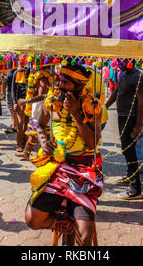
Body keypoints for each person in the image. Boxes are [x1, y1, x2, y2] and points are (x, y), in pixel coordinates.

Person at [25, 61, 103, 246]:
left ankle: (75, 224)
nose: (60, 86)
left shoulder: (91, 105)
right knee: (32, 219)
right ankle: (65, 224)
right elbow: (40, 125)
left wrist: (76, 113)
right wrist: (43, 142)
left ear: (80, 86)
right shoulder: (52, 101)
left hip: (85, 169)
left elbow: (92, 142)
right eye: (60, 81)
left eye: (66, 83)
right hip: (58, 167)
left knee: (84, 239)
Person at [105, 60, 143, 199]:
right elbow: (116, 92)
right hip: (121, 116)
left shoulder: (139, 76)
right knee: (125, 148)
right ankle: (130, 176)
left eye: (122, 61)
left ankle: (135, 188)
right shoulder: (121, 73)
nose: (118, 63)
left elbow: (141, 101)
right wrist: (104, 107)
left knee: (129, 150)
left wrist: (138, 125)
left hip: (132, 117)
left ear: (130, 61)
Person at [19, 66, 53, 160]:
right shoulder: (41, 76)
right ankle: (26, 152)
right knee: (34, 132)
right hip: (38, 106)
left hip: (40, 107)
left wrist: (26, 101)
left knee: (42, 130)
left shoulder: (42, 78)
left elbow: (41, 96)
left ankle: (48, 154)